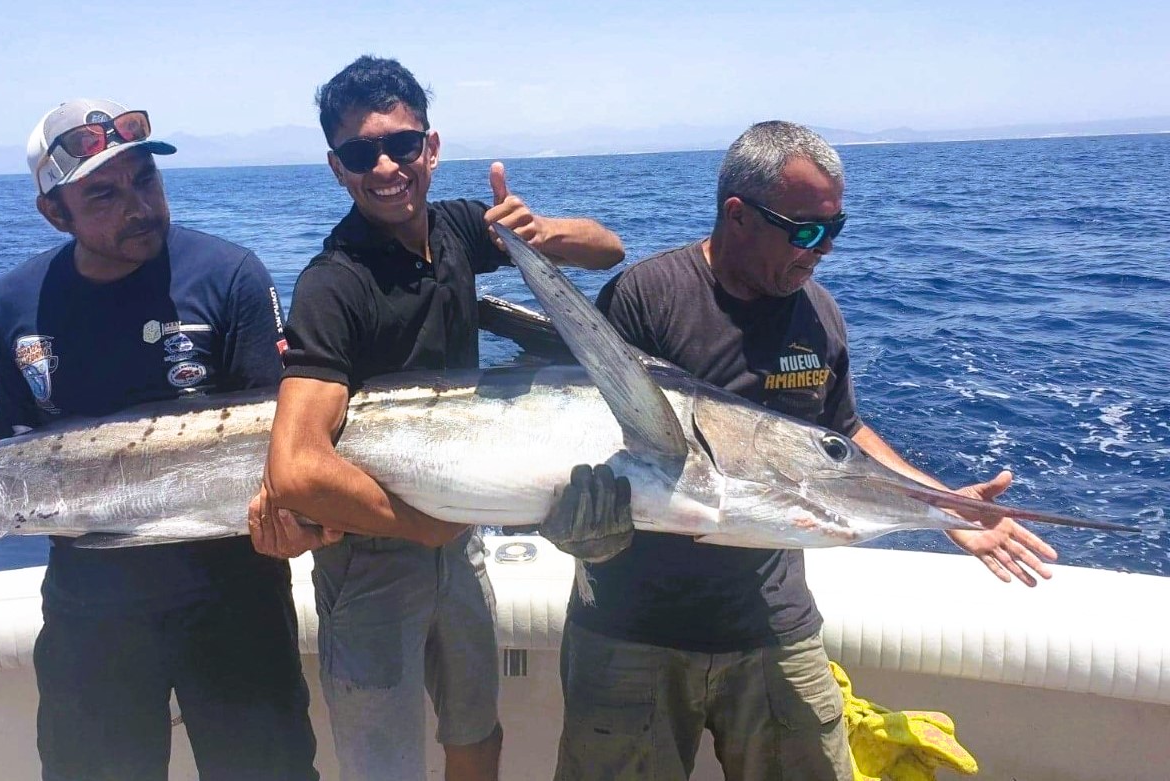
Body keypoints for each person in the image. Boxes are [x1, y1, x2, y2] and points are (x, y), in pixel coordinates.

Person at [553, 120, 1061, 781]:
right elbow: (578, 434)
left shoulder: (816, 312)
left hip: (769, 620)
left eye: (835, 228)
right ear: (738, 215)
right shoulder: (646, 297)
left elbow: (842, 432)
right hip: (630, 624)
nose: (822, 249)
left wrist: (944, 508)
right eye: (806, 230)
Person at [0, 99, 319, 781]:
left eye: (145, 180)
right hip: (90, 618)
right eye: (103, 193)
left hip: (236, 603)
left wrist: (305, 519)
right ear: (53, 212)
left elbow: (285, 446)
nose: (138, 205)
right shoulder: (12, 302)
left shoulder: (232, 275)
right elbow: (11, 446)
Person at [246, 56, 627, 781]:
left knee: (477, 733)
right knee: (384, 765)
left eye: (403, 145)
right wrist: (421, 524)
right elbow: (294, 465)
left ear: (432, 147)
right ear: (337, 168)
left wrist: (535, 232)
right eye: (362, 154)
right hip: (371, 556)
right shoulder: (334, 283)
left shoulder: (456, 228)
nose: (386, 166)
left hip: (459, 540)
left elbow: (609, 249)